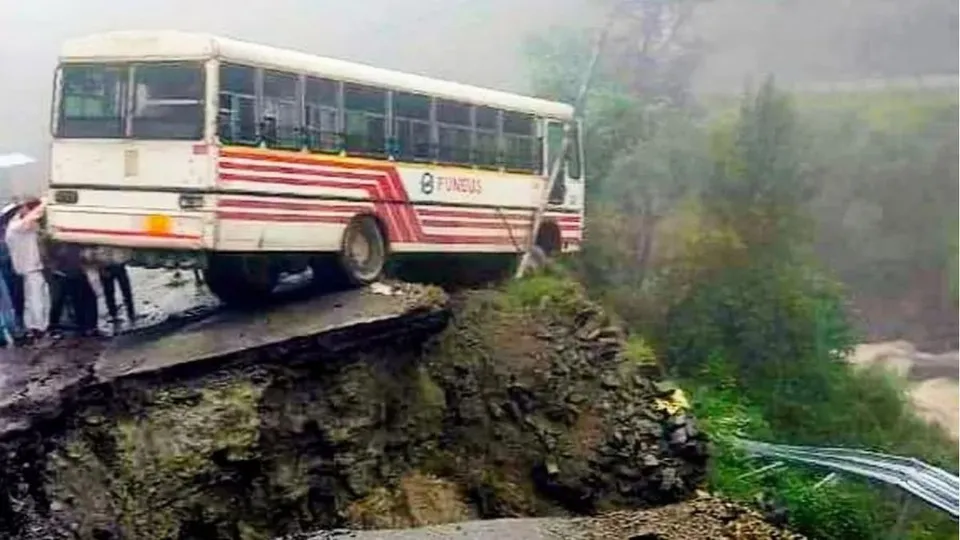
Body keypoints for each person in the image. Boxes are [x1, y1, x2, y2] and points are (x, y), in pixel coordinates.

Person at [5, 198, 49, 342]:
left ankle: (33, 326)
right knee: (37, 299)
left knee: (32, 299)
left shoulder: (15, 227)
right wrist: (46, 201)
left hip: (26, 268)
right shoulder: (18, 227)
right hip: (31, 267)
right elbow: (33, 217)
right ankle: (39, 328)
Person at [48, 241, 100, 338]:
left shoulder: (71, 244)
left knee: (81, 299)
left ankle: (86, 326)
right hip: (66, 273)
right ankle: (85, 326)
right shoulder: (61, 244)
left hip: (74, 272)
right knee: (64, 300)